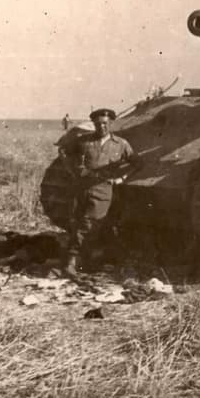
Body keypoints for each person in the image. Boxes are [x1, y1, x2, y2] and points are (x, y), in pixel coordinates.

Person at [60, 108, 142, 278]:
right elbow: (64, 151)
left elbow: (137, 163)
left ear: (110, 124)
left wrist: (122, 178)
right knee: (77, 223)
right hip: (81, 187)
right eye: (98, 124)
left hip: (103, 189)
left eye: (105, 123)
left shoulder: (121, 144)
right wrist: (72, 170)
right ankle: (87, 261)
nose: (102, 127)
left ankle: (71, 263)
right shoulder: (83, 141)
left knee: (90, 224)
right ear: (94, 124)